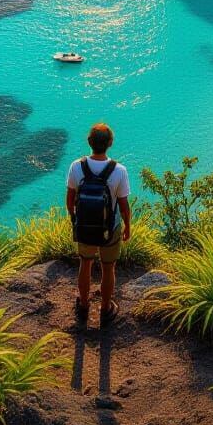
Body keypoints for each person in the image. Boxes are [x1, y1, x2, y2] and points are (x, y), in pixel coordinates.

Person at [66, 122, 131, 327]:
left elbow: (70, 199)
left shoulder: (77, 166)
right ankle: (105, 308)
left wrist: (75, 219)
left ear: (89, 142)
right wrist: (127, 226)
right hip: (110, 229)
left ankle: (84, 305)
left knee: (85, 264)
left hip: (85, 227)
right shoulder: (119, 170)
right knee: (108, 268)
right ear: (110, 143)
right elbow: (123, 205)